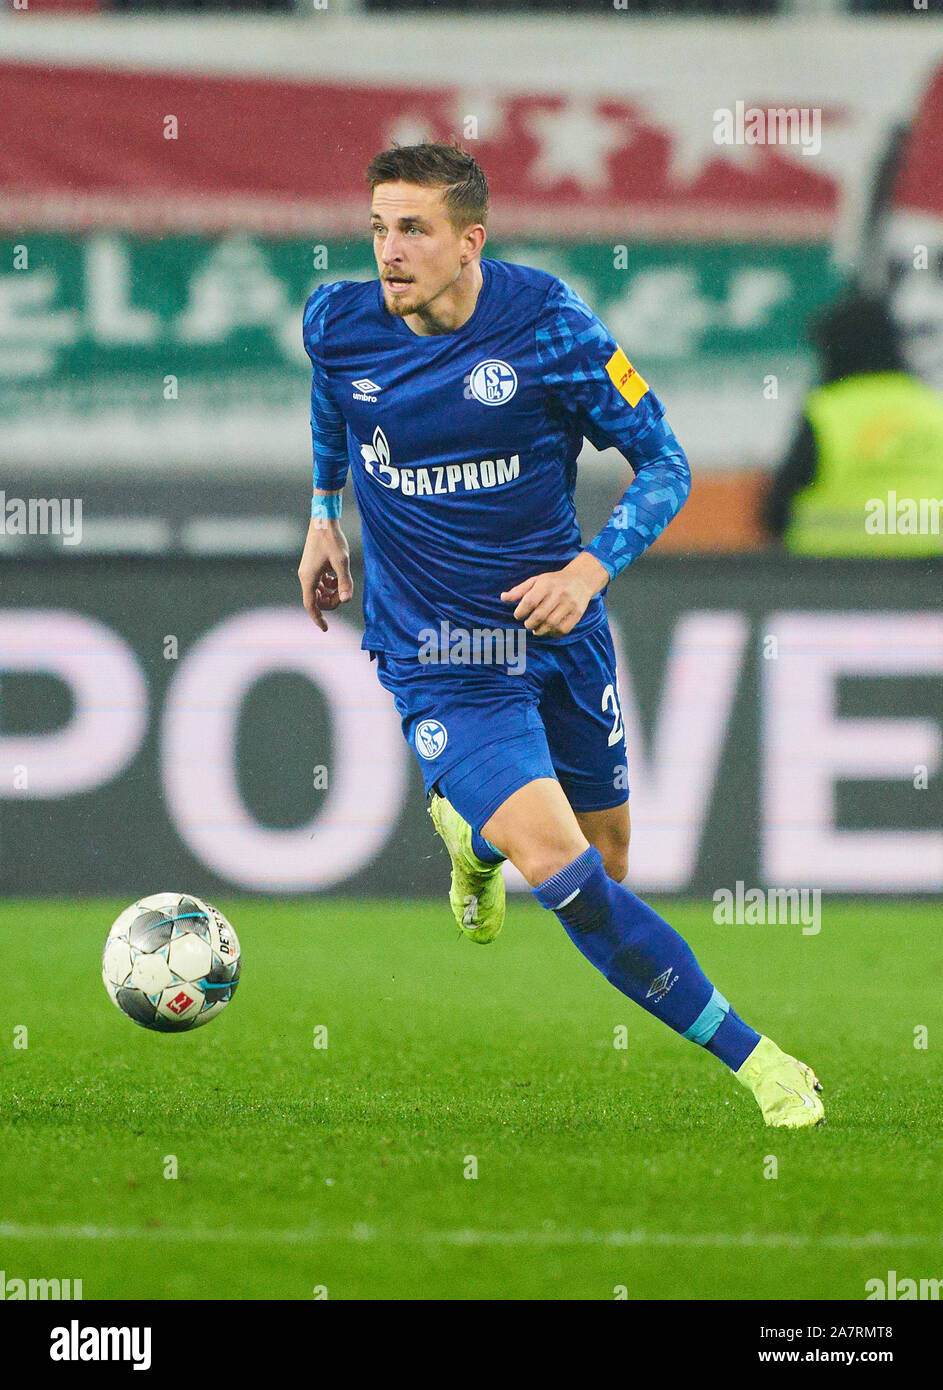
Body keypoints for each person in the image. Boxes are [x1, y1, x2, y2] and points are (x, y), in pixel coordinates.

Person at [298, 141, 823, 1129]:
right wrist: (324, 512)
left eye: (413, 229)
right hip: (442, 656)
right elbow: (333, 402)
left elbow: (664, 464)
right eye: (377, 228)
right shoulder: (338, 322)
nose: (388, 252)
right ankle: (757, 1062)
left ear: (470, 243)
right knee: (571, 879)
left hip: (558, 626)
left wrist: (589, 569)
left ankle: (472, 840)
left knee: (609, 853)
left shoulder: (548, 324)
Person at [765, 293, 943, 555]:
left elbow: (775, 512)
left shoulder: (827, 412)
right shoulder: (933, 409)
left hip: (838, 576)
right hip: (928, 576)